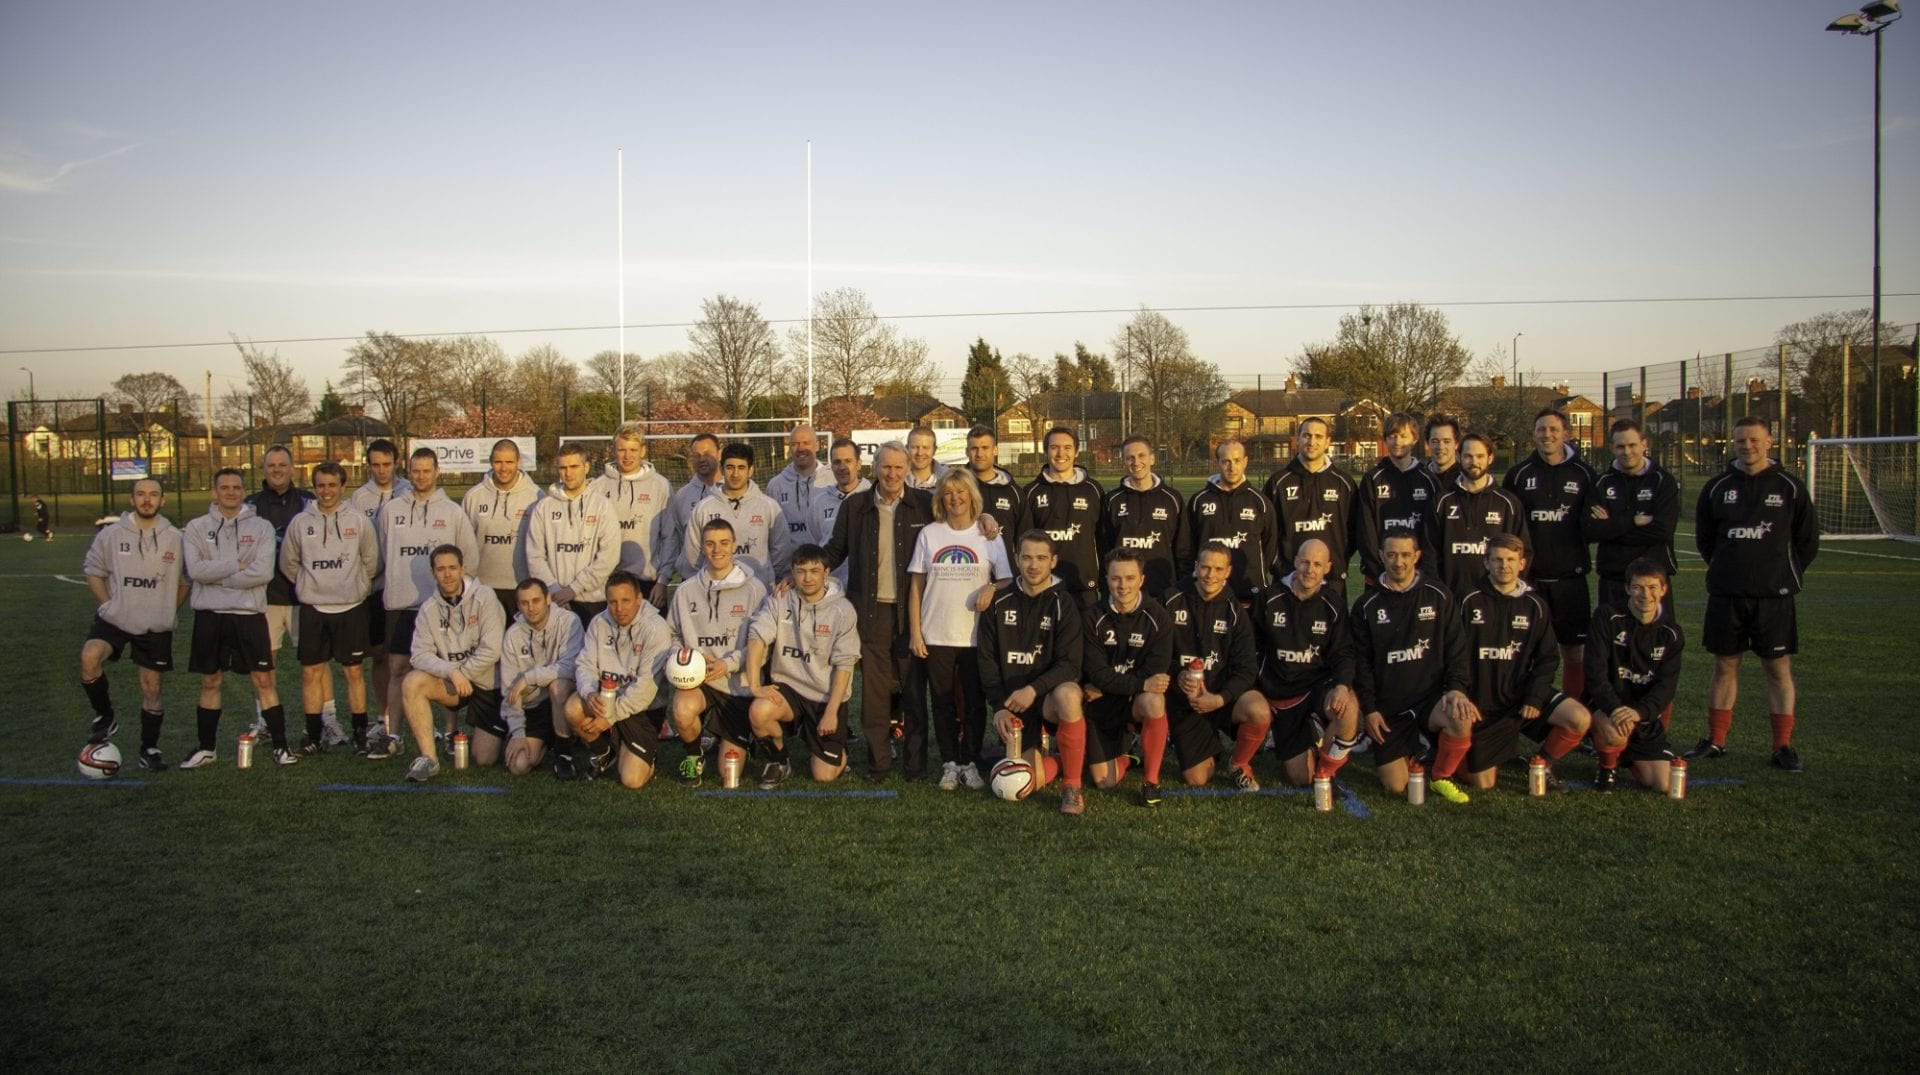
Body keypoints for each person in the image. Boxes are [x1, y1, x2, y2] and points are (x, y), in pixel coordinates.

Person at [1689, 416, 1818, 772]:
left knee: (1778, 669)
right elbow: (1705, 540)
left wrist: (1779, 572)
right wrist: (1726, 568)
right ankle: (1716, 740)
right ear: (1732, 444)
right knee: (1724, 666)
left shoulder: (1790, 487)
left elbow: (1807, 541)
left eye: (1754, 440)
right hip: (1727, 594)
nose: (1748, 446)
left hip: (1773, 597)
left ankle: (1782, 746)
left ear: (1770, 442)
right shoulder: (1717, 488)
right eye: (1741, 441)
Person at [820, 442, 934, 781]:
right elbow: (834, 551)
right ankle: (878, 763)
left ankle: (915, 766)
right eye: (886, 467)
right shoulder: (855, 507)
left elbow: (960, 520)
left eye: (900, 468)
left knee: (913, 692)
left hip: (912, 615)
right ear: (874, 468)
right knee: (874, 695)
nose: (893, 474)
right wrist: (803, 573)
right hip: (870, 615)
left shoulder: (925, 505)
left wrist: (985, 519)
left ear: (908, 470)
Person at [1450, 534, 1588, 796]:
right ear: (1486, 562)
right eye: (1498, 559)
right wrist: (1461, 693)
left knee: (1578, 718)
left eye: (1511, 560)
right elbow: (1453, 652)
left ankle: (1542, 764)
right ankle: (1460, 754)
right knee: (1482, 783)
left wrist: (1535, 697)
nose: (1505, 565)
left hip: (1522, 697)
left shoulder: (1535, 604)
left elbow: (1548, 657)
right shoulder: (1468, 600)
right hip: (1482, 704)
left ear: (1522, 563)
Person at [1349, 531, 1473, 803]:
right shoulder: (1366, 605)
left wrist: (1456, 689)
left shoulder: (1439, 595)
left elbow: (1457, 649)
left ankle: (1440, 775)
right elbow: (1362, 665)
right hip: (1390, 708)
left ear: (1417, 556)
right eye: (1391, 555)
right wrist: (1369, 710)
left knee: (1461, 717)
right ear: (1381, 556)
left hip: (1430, 701)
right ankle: (1418, 747)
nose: (1398, 562)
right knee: (1395, 786)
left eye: (1405, 555)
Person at [371, 447, 479, 757]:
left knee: (446, 668)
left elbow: (469, 558)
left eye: (426, 470)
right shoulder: (391, 511)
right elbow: (382, 551)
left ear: (437, 472)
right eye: (415, 471)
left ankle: (448, 733)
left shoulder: (452, 511)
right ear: (409, 471)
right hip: (400, 604)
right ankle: (393, 735)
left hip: (441, 604)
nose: (421, 476)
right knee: (398, 669)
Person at [909, 470, 1013, 791]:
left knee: (973, 701)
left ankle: (970, 762)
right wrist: (916, 631)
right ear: (940, 498)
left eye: (961, 492)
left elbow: (1008, 579)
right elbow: (916, 585)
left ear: (972, 496)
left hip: (974, 636)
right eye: (948, 493)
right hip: (936, 633)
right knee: (941, 702)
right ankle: (950, 763)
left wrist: (992, 588)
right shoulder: (929, 533)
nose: (955, 499)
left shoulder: (988, 536)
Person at [1045, 549, 1174, 807]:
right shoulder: (1091, 617)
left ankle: (1150, 782)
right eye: (1116, 578)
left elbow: (1155, 675)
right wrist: (1136, 684)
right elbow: (1096, 673)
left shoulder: (1158, 616)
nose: (1122, 585)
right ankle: (1126, 757)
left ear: (1142, 579)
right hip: (1098, 706)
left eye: (1129, 578)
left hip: (1131, 704)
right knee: (1104, 781)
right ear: (1106, 579)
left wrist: (1118, 685)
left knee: (1154, 700)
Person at [181, 468, 292, 767]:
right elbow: (195, 571)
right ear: (214, 492)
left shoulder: (262, 528)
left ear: (244, 492)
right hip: (210, 616)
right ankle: (207, 748)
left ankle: (281, 747)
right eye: (224, 487)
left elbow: (263, 573)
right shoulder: (195, 527)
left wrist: (218, 578)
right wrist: (236, 566)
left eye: (236, 487)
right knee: (210, 681)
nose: (230, 492)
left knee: (264, 680)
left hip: (248, 615)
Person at [79, 478, 187, 767]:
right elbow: (93, 571)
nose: (147, 500)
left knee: (151, 688)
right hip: (117, 617)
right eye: (141, 494)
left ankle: (149, 750)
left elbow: (184, 583)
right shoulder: (112, 534)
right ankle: (105, 715)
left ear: (162, 501)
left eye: (153, 495)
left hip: (155, 625)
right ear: (132, 499)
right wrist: (107, 605)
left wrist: (165, 609)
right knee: (90, 656)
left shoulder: (175, 538)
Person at [1239, 538, 1360, 789]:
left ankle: (1326, 771)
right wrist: (1261, 690)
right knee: (1300, 779)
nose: (1309, 569)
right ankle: (1306, 734)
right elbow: (1250, 649)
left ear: (1327, 568)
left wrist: (1342, 685)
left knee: (1347, 708)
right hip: (1282, 694)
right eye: (1305, 562)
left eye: (1317, 564)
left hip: (1317, 687)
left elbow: (1344, 652)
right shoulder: (1269, 598)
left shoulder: (1333, 603)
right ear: (1295, 562)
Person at [979, 531, 1086, 814]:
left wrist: (1033, 689)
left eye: (1041, 558)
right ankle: (1069, 758)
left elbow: (1071, 665)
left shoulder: (1064, 603)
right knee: (1024, 784)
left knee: (1069, 694)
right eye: (1026, 557)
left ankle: (1072, 785)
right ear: (1016, 559)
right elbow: (987, 660)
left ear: (1053, 561)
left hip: (1047, 699)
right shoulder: (999, 602)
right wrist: (999, 707)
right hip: (1014, 705)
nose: (1033, 565)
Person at [279, 461, 380, 755]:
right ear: (314, 487)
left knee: (353, 673)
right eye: (321, 485)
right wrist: (311, 585)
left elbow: (371, 561)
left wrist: (354, 585)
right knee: (311, 673)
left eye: (332, 485)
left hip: (350, 607)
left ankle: (360, 734)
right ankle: (312, 734)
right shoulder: (301, 522)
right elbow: (289, 563)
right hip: (314, 608)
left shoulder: (359, 521)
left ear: (343, 487)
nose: (326, 491)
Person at [740, 544, 861, 788]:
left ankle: (829, 747)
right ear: (792, 573)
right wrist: (754, 685)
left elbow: (845, 664)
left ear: (827, 572)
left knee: (824, 775)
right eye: (801, 571)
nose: (807, 578)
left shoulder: (843, 610)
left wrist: (831, 713)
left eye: (814, 571)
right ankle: (779, 760)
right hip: (790, 688)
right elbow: (757, 636)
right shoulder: (781, 599)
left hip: (824, 697)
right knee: (759, 711)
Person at [1503, 408, 1598, 699]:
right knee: (1521, 650)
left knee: (1574, 650)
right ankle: (1521, 712)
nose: (1547, 435)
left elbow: (1593, 525)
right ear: (1533, 435)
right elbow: (1508, 529)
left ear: (1566, 433)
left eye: (1553, 430)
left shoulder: (1585, 474)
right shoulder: (1518, 475)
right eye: (1541, 430)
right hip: (1529, 581)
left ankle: (1574, 709)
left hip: (1570, 580)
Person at [666, 518, 768, 786]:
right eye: (710, 544)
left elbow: (763, 645)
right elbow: (673, 634)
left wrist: (729, 664)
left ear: (735, 545)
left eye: (724, 543)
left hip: (738, 685)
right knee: (682, 708)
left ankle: (736, 736)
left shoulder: (755, 590)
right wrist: (685, 661)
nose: (717, 550)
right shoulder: (685, 591)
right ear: (702, 547)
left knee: (728, 775)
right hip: (700, 682)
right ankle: (693, 756)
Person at [398, 545, 507, 782]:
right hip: (455, 684)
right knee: (412, 682)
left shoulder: (485, 597)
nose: (447, 574)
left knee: (484, 758)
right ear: (432, 573)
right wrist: (451, 672)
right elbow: (418, 654)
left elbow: (492, 649)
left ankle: (505, 729)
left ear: (463, 569)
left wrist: (462, 673)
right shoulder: (428, 609)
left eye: (452, 568)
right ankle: (429, 759)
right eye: (441, 569)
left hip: (488, 685)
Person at [1577, 559, 1685, 793]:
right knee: (1613, 732)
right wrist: (1615, 708)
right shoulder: (1607, 617)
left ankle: (1626, 754)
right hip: (1606, 706)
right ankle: (1607, 766)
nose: (1645, 595)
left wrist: (1639, 712)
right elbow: (1595, 673)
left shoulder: (1671, 634)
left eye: (1652, 588)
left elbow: (1666, 687)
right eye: (1638, 587)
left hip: (1640, 712)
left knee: (1662, 783)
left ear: (1664, 590)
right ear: (1627, 588)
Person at [1163, 545, 1266, 790]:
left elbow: (1247, 669)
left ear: (1228, 572)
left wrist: (1221, 698)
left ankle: (1238, 763)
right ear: (1196, 567)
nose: (1211, 574)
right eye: (1206, 567)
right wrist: (1178, 675)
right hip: (1185, 702)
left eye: (1218, 569)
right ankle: (1206, 744)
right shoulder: (1171, 600)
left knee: (1259, 710)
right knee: (1197, 779)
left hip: (1221, 697)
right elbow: (1156, 656)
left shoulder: (1236, 612)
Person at [246, 444, 329, 743]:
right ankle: (264, 720)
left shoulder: (308, 501)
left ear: (292, 469)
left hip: (304, 597)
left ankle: (328, 721)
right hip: (265, 597)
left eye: (282, 465)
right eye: (271, 466)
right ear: (264, 470)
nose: (277, 470)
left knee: (316, 663)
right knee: (264, 662)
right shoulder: (250, 505)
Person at [565, 570, 675, 788]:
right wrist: (589, 693)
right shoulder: (599, 623)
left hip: (641, 709)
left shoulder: (656, 628)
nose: (619, 608)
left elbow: (645, 689)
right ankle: (604, 752)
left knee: (631, 781)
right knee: (573, 708)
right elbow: (585, 664)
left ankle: (640, 753)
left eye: (625, 600)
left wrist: (610, 717)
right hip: (607, 698)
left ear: (639, 599)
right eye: (612, 602)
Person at [1585, 419, 1680, 615]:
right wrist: (1632, 521)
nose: (1627, 452)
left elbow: (1662, 531)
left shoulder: (1663, 481)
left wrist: (1611, 527)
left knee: (1655, 642)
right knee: (1612, 642)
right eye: (1620, 446)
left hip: (1652, 581)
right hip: (1613, 578)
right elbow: (1590, 529)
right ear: (1612, 448)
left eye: (1632, 445)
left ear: (1644, 444)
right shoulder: (1601, 483)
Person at [526, 441, 620, 625]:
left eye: (574, 466)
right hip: (555, 602)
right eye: (563, 468)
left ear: (586, 467)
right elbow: (534, 555)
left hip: (593, 602)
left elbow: (609, 556)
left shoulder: (602, 506)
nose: (568, 473)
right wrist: (554, 591)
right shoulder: (544, 506)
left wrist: (574, 589)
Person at [497, 578, 583, 777]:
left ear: (548, 599)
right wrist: (518, 734)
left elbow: (571, 667)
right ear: (518, 605)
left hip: (564, 698)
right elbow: (510, 690)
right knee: (519, 766)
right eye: (524, 603)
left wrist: (529, 678)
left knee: (558, 686)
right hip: (533, 707)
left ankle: (564, 756)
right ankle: (549, 739)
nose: (531, 608)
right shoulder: (513, 635)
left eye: (536, 601)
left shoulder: (569, 621)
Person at [1426, 432, 1528, 600]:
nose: (1474, 462)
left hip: (1493, 600)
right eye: (1468, 456)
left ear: (1490, 458)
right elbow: (1429, 552)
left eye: (1480, 456)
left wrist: (1507, 589)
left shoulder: (1508, 503)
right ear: (1458, 457)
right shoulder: (1442, 501)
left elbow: (1523, 551)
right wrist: (1440, 593)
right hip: (1450, 599)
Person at [1266, 417, 1359, 597]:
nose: (1312, 441)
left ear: (1327, 442)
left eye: (1318, 436)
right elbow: (1268, 535)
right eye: (1307, 435)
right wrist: (1282, 569)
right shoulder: (1278, 483)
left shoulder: (1344, 483)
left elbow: (1355, 532)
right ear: (1298, 439)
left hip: (1331, 580)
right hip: (1288, 580)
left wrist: (1336, 562)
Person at [349, 438, 402, 744]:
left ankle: (425, 719)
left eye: (387, 464)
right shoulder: (359, 498)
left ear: (396, 463)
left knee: (415, 658)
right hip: (373, 589)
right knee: (380, 656)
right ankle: (385, 716)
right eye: (375, 465)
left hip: (406, 589)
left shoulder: (409, 490)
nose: (381, 471)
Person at [1016, 426, 1104, 608]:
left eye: (1067, 447)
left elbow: (1104, 540)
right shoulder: (1031, 492)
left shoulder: (1093, 490)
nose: (1060, 453)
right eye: (1054, 447)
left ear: (1077, 452)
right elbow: (1023, 541)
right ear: (1046, 451)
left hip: (1083, 588)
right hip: (1042, 587)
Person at [1186, 437, 1279, 602]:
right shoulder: (1198, 501)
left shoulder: (1261, 502)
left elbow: (1270, 546)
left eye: (1237, 461)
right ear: (1217, 463)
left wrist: (1254, 570)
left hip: (1251, 592)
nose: (1232, 467)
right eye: (1226, 461)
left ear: (1245, 462)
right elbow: (1189, 546)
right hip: (1210, 591)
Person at [684, 441, 788, 588]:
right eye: (730, 467)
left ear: (750, 470)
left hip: (760, 591)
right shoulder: (703, 508)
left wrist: (765, 575)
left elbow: (781, 550)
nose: (735, 474)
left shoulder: (768, 506)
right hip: (716, 590)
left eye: (741, 468)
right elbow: (693, 552)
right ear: (721, 469)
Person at [590, 421, 673, 597]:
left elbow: (669, 536)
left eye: (633, 450)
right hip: (606, 581)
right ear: (613, 450)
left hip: (647, 582)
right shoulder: (598, 487)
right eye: (622, 450)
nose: (627, 456)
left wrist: (663, 580)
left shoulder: (660, 486)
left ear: (642, 450)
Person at [1100, 433, 1188, 598]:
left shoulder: (1172, 498)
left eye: (1141, 456)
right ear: (1124, 461)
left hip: (1163, 591)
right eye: (1130, 457)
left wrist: (1181, 588)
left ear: (1152, 459)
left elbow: (1183, 549)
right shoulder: (1112, 500)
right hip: (1123, 592)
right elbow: (1105, 548)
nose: (1136, 462)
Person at [1356, 411, 1440, 581]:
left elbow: (1433, 532)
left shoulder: (1428, 480)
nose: (1397, 442)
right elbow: (1366, 531)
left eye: (1403, 436)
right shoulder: (1372, 479)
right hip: (1380, 575)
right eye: (1392, 436)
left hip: (1418, 577)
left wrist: (1424, 571)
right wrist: (1379, 569)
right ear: (1386, 439)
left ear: (1415, 439)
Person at [462, 438, 542, 614]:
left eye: (509, 462)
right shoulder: (473, 497)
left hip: (523, 588)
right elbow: (464, 545)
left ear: (518, 462)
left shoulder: (536, 496)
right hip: (482, 588)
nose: (504, 468)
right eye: (498, 462)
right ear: (491, 462)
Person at [651, 431, 722, 606]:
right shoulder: (682, 496)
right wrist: (663, 579)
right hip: (692, 581)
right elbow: (674, 541)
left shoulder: (731, 491)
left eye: (707, 454)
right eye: (696, 455)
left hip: (727, 580)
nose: (702, 459)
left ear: (720, 453)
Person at [765, 423, 834, 572]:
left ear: (817, 445)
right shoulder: (776, 485)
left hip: (827, 571)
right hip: (787, 574)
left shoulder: (832, 481)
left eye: (806, 443)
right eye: (795, 444)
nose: (801, 448)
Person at [809, 438, 869, 587]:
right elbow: (817, 537)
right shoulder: (819, 501)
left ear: (858, 464)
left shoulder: (872, 498)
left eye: (848, 461)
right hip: (830, 586)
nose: (842, 467)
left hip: (864, 587)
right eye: (837, 462)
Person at [964, 425, 1023, 560]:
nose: (979, 454)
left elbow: (1024, 536)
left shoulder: (1013, 491)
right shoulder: (956, 488)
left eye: (985, 448)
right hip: (966, 572)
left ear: (995, 450)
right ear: (967, 452)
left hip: (1006, 574)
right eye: (974, 449)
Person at [904, 425, 950, 492]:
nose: (920, 453)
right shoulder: (897, 478)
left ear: (934, 450)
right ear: (907, 449)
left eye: (925, 448)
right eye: (915, 447)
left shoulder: (949, 477)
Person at [1424, 413, 1463, 488]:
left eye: (1446, 441)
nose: (1440, 447)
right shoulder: (1419, 478)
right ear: (1428, 444)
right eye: (1435, 441)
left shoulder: (1465, 479)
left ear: (1456, 444)